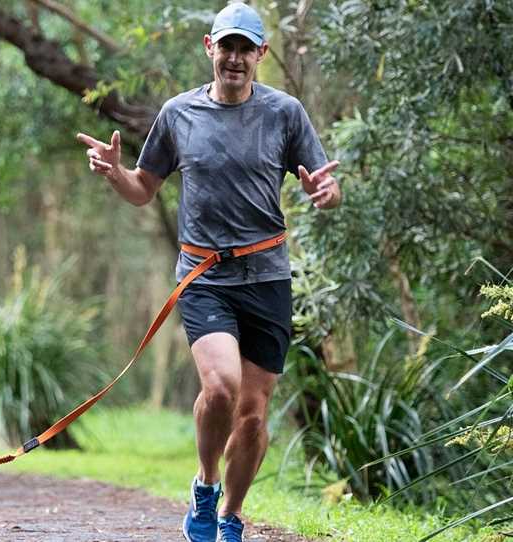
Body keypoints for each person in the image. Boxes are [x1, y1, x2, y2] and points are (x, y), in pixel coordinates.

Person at [76, 3, 341, 541]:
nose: (236, 58)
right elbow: (142, 189)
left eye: (246, 48)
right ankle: (204, 483)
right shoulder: (178, 114)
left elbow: (324, 188)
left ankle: (232, 514)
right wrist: (114, 173)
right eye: (228, 47)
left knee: (252, 415)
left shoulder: (285, 113)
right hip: (204, 276)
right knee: (220, 388)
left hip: (267, 277)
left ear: (261, 54)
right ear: (209, 48)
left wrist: (326, 194)